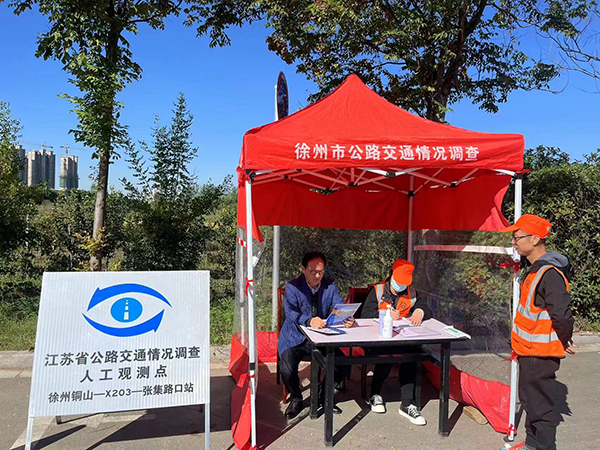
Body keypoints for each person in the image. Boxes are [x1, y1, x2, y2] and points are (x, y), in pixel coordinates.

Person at [500, 214, 575, 450]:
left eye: (517, 237)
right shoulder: (534, 270)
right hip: (529, 350)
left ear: (534, 240)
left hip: (540, 354)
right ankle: (531, 444)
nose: (513, 242)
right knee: (530, 401)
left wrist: (565, 339)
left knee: (540, 407)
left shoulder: (549, 274)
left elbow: (562, 315)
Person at [278, 252, 354, 420]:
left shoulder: (330, 286)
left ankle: (323, 395)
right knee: (287, 368)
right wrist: (309, 320)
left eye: (320, 272)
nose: (317, 276)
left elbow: (339, 306)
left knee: (344, 364)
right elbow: (291, 313)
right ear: (303, 269)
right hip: (295, 337)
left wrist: (346, 318)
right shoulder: (293, 287)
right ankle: (296, 398)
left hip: (322, 337)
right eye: (313, 272)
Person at [360, 259, 432, 425]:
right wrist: (385, 314)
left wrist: (420, 311)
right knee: (387, 353)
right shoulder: (377, 291)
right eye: (399, 282)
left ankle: (407, 403)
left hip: (403, 337)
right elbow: (364, 315)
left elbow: (427, 309)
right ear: (391, 275)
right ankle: (375, 393)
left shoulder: (412, 293)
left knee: (412, 355)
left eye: (404, 283)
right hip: (378, 339)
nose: (401, 286)